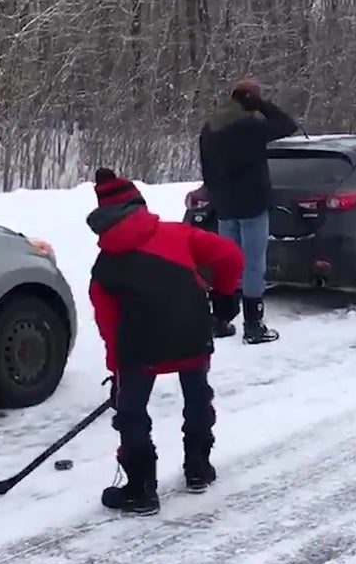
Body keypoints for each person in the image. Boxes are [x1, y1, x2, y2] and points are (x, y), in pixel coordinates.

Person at [87, 168, 244, 515]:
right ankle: (198, 468)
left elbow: (108, 322)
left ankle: (141, 490)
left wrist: (118, 372)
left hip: (140, 347)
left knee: (132, 414)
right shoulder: (179, 234)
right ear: (139, 206)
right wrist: (224, 294)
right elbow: (230, 255)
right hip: (191, 334)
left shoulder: (105, 267)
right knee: (197, 397)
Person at [198, 77, 298, 344]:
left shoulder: (211, 127)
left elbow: (206, 168)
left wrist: (214, 194)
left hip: (225, 206)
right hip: (252, 203)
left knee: (225, 262)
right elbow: (288, 125)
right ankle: (253, 324)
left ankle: (219, 318)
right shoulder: (250, 126)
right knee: (253, 264)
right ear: (250, 100)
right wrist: (263, 105)